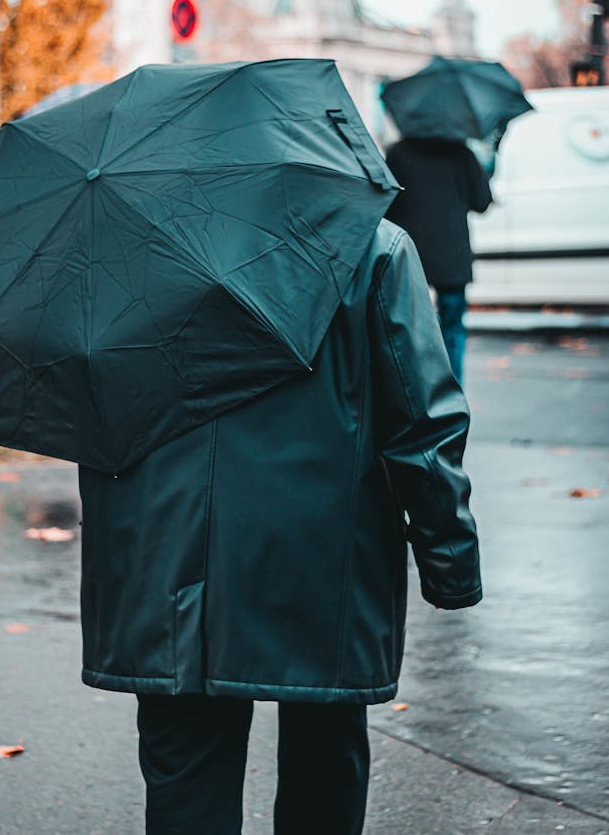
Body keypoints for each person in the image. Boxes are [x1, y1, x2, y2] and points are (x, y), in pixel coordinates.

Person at [79, 219, 482, 834]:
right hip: (322, 557)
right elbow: (421, 420)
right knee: (326, 751)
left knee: (186, 766)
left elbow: (85, 402)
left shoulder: (125, 244)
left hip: (167, 554)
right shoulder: (371, 244)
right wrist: (449, 558)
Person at [384, 137, 492, 383]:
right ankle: (452, 392)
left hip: (409, 255)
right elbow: (482, 202)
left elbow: (385, 203)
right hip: (451, 256)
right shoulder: (461, 154)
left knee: (409, 329)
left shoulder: (399, 155)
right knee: (452, 327)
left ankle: (416, 388)